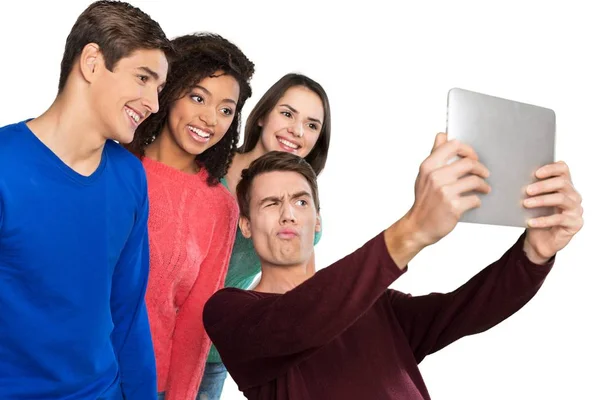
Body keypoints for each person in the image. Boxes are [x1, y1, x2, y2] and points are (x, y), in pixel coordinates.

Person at [203, 140, 584, 399]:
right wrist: (413, 229)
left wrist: (533, 253)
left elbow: (466, 309)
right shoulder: (228, 312)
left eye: (301, 202)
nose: (288, 212)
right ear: (247, 225)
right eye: (271, 203)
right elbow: (299, 321)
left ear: (318, 221)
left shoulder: (376, 306)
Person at [0, 1, 174, 399]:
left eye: (159, 88)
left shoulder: (130, 177)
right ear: (92, 62)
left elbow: (128, 312)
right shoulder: (4, 167)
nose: (154, 103)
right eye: (143, 78)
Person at [126, 32, 254, 400]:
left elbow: (195, 322)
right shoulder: (115, 165)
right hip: (79, 373)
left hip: (153, 385)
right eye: (198, 97)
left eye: (226, 109)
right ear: (171, 91)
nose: (209, 118)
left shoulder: (220, 206)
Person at [199, 73, 332, 399]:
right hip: (147, 330)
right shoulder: (206, 164)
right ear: (261, 116)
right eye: (287, 114)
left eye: (312, 125)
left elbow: (301, 303)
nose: (297, 131)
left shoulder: (301, 219)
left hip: (212, 352)